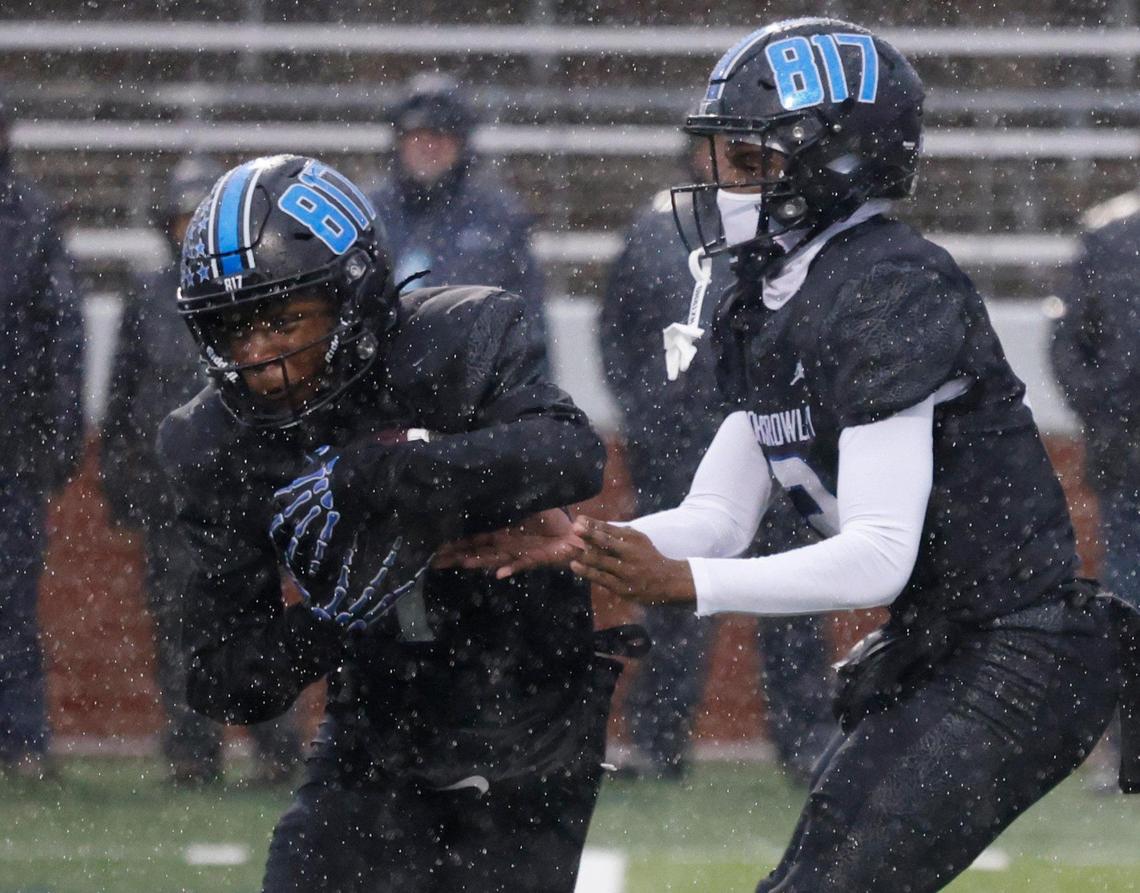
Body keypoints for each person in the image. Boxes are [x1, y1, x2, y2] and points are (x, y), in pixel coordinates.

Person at [442, 19, 1137, 892]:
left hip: (1019, 655)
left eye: (744, 160)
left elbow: (880, 555)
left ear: (830, 164)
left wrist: (690, 584)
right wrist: (583, 543)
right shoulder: (772, 293)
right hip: (945, 646)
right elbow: (721, 516)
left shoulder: (888, 285)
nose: (715, 182)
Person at [157, 155, 623, 892]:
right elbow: (223, 680)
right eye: (233, 327)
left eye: (282, 319)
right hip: (377, 712)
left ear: (354, 297)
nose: (260, 357)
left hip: (524, 696)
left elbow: (569, 455)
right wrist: (333, 619)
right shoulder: (213, 441)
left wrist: (375, 478)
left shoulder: (456, 334)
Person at [600, 142, 834, 782]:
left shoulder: (790, 223)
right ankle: (657, 741)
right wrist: (648, 415)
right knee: (671, 596)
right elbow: (617, 332)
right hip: (680, 439)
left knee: (792, 593)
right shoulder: (656, 229)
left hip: (775, 434)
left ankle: (808, 739)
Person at [101, 155, 302, 786]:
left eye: (200, 220)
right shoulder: (148, 297)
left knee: (256, 619)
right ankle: (192, 752)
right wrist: (120, 477)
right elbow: (125, 398)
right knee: (178, 627)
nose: (189, 232)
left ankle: (275, 750)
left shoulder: (260, 293)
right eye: (181, 218)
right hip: (171, 496)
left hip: (245, 492)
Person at [0, 94, 85, 779]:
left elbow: (62, 338)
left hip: (10, 449)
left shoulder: (33, 220)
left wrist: (55, 438)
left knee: (11, 599)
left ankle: (23, 742)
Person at [1051, 190, 1140, 790]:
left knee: (1129, 597)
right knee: (1128, 598)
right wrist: (1113, 421)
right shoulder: (1107, 236)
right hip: (1125, 452)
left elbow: (1068, 346)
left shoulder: (1108, 235)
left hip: (1123, 447)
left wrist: (1111, 418)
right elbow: (1068, 347)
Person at [368, 73, 547, 344]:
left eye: (441, 134)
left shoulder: (499, 217)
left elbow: (528, 321)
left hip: (472, 377)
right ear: (399, 140)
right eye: (418, 135)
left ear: (462, 143)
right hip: (380, 378)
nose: (429, 147)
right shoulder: (365, 212)